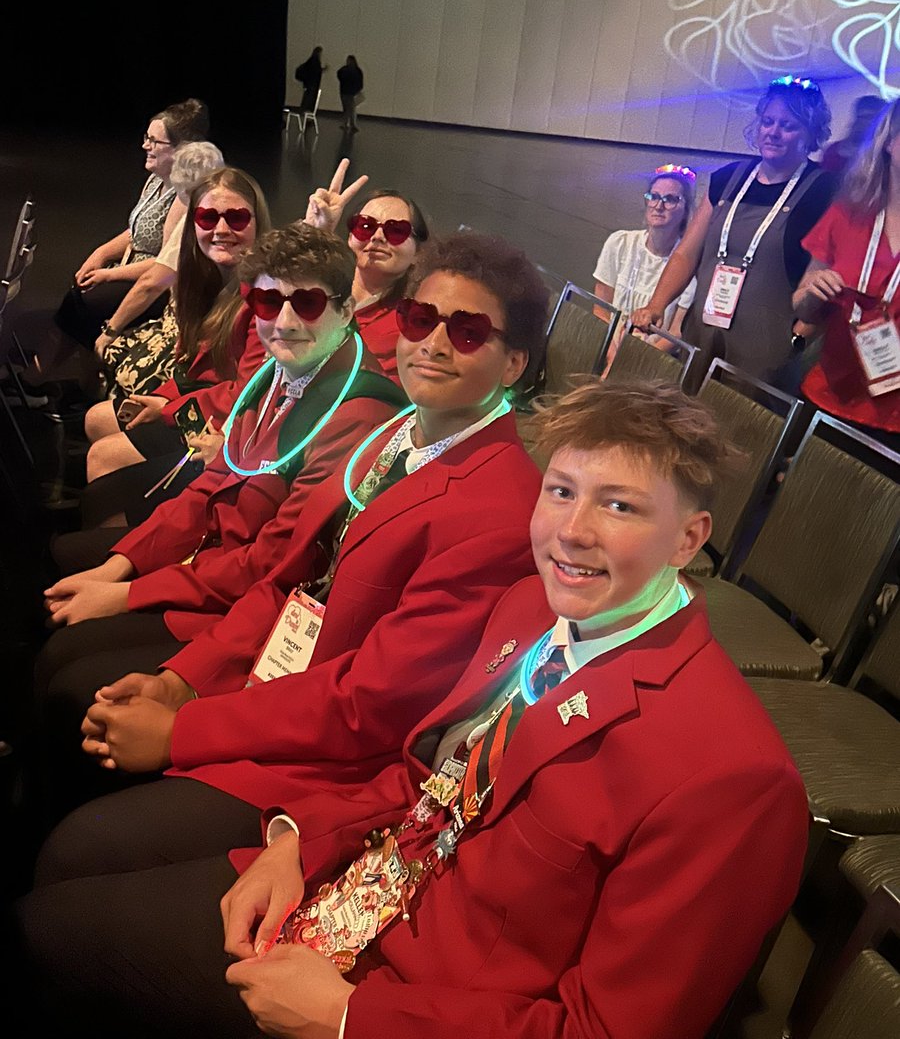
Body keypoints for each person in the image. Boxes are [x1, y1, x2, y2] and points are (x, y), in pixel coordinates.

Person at [14, 381, 810, 1039]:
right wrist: (296, 840)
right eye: (561, 492)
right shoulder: (532, 610)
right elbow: (426, 778)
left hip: (410, 1003)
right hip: (351, 891)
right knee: (64, 875)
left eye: (620, 507)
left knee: (50, 937)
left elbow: (607, 1032)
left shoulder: (733, 779)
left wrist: (352, 1017)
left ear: (688, 539)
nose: (572, 532)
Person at [24, 233, 546, 880]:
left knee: (80, 842)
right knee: (78, 698)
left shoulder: (498, 508)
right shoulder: (396, 435)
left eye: (468, 332)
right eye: (421, 319)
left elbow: (370, 705)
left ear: (515, 363)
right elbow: (298, 579)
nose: (434, 343)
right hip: (282, 674)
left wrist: (183, 727)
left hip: (333, 759)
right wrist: (179, 681)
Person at [34, 222, 408, 825]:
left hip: (248, 608)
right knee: (66, 602)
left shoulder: (356, 411)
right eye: (267, 300)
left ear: (345, 309)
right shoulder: (273, 374)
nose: (283, 319)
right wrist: (119, 565)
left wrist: (130, 592)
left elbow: (274, 564)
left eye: (306, 302)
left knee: (73, 676)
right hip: (217, 572)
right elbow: (213, 484)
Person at [72, 169, 271, 523]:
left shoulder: (265, 297)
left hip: (233, 428)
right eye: (208, 217)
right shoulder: (204, 277)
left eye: (236, 218)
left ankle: (113, 546)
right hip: (207, 405)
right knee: (98, 419)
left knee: (103, 457)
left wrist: (168, 407)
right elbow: (195, 371)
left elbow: (247, 394)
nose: (221, 230)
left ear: (257, 223)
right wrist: (167, 397)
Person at [633, 76, 837, 391]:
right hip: (702, 337)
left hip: (765, 358)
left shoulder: (824, 191)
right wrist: (657, 305)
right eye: (768, 121)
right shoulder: (727, 179)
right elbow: (687, 253)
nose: (774, 131)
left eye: (788, 125)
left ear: (811, 134)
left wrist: (797, 339)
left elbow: (824, 278)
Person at [31, 99, 210, 389]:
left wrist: (109, 274)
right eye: (146, 137)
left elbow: (164, 266)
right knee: (81, 290)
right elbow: (136, 231)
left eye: (154, 141)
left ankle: (45, 381)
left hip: (159, 288)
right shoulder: (156, 180)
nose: (145, 146)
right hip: (134, 269)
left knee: (82, 302)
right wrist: (100, 254)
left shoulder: (184, 195)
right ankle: (71, 382)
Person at [792, 98, 900, 450]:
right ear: (889, 142)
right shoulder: (848, 213)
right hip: (828, 398)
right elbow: (803, 309)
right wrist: (813, 292)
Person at [93, 141, 226, 377]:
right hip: (200, 322)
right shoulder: (219, 211)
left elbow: (153, 282)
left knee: (111, 346)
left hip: (188, 329)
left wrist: (110, 331)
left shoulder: (195, 221)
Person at [303, 163, 428, 383]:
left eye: (396, 231)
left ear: (418, 252)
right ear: (350, 237)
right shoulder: (318, 291)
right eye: (366, 226)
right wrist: (313, 235)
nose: (378, 236)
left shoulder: (413, 324)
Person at [593, 163, 697, 358]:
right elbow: (600, 308)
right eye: (654, 197)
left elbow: (676, 333)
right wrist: (613, 351)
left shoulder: (689, 267)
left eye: (670, 199)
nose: (659, 205)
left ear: (686, 209)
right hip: (608, 345)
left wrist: (638, 357)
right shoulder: (620, 242)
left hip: (651, 357)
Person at [820, 94, 885, 177]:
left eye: (870, 117)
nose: (865, 122)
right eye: (863, 117)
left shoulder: (883, 153)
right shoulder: (833, 150)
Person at [294, 45, 327, 114]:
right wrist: (322, 69)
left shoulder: (311, 60)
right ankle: (306, 113)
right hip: (312, 84)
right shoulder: (315, 61)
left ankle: (304, 111)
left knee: (307, 98)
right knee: (309, 100)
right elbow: (315, 71)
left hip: (309, 83)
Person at [337, 55, 364, 131]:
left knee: (346, 108)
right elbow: (360, 83)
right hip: (353, 92)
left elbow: (339, 75)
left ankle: (345, 123)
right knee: (352, 108)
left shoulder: (344, 70)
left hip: (344, 91)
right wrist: (358, 89)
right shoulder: (358, 70)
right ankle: (352, 124)